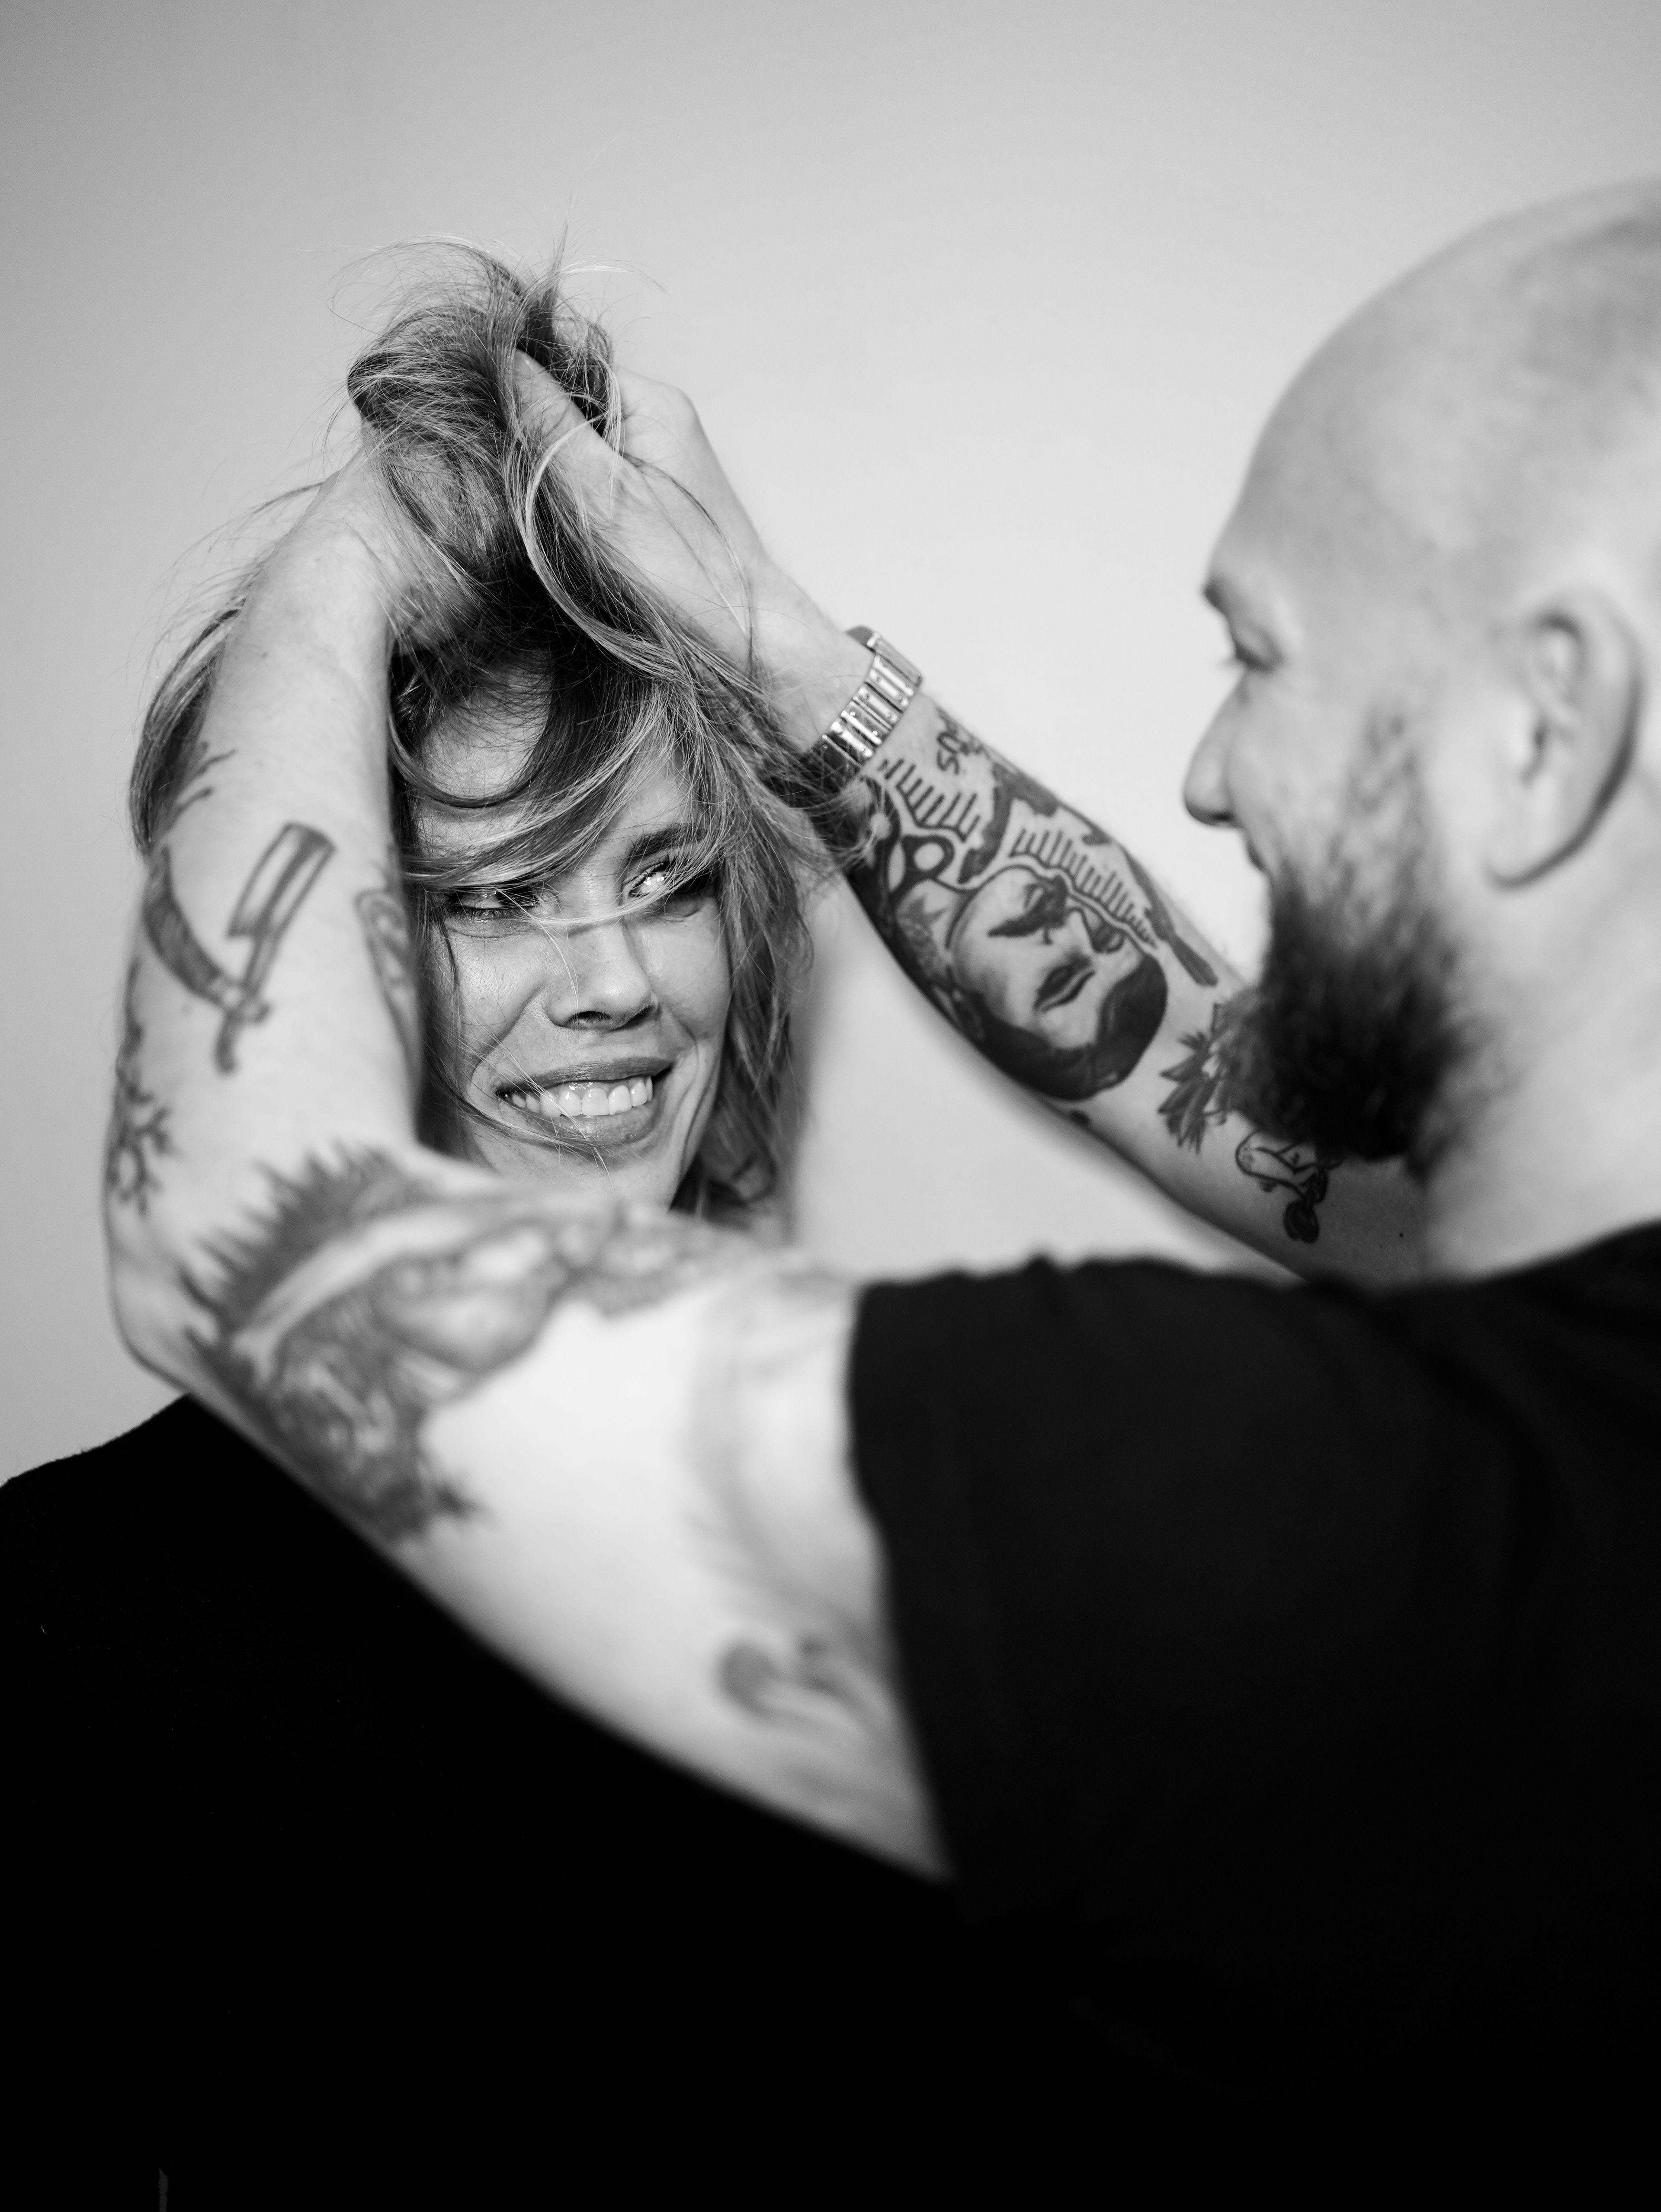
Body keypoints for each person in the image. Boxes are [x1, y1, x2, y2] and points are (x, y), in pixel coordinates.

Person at [7, 251, 1412, 2201]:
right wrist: (358, 555)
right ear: (337, 940)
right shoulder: (81, 1614)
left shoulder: (888, 1508)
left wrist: (726, 638)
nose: (616, 986)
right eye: (491, 897)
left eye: (667, 878)